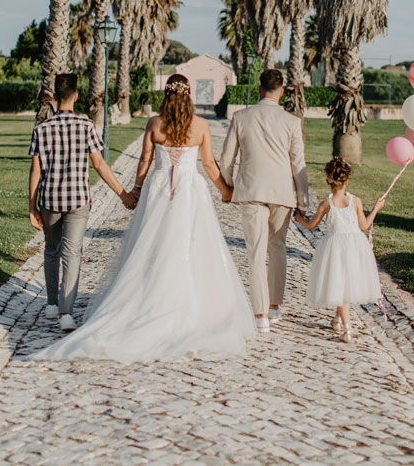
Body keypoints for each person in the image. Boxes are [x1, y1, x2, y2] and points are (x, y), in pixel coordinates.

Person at [31, 74, 255, 362]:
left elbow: (145, 161)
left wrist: (135, 191)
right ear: (188, 95)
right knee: (191, 245)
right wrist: (225, 190)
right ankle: (188, 304)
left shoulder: (155, 123)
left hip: (159, 189)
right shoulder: (199, 126)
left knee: (152, 245)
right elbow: (210, 164)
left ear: (166, 94)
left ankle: (146, 298)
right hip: (189, 190)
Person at [28, 72, 134, 333]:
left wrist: (31, 206)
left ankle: (52, 303)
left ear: (55, 96)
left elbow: (36, 171)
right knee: (72, 254)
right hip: (77, 200)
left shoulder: (41, 129)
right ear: (75, 96)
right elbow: (99, 164)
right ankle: (66, 312)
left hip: (50, 200)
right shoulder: (86, 126)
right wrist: (123, 194)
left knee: (51, 250)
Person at [220, 68, 309, 333]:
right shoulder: (292, 122)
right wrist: (303, 201)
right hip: (282, 194)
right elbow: (298, 164)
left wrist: (231, 186)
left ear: (260, 89)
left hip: (250, 191)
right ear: (281, 92)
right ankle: (274, 308)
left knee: (256, 252)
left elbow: (226, 160)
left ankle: (260, 316)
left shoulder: (241, 117)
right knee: (278, 247)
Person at [294, 157, 385, 344]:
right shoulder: (356, 201)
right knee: (343, 284)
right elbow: (364, 225)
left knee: (341, 286)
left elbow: (311, 225)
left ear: (328, 181)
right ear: (347, 180)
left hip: (335, 247)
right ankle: (337, 319)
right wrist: (376, 208)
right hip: (355, 246)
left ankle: (347, 329)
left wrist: (297, 219)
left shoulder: (326, 204)